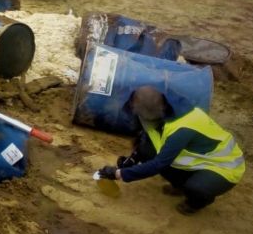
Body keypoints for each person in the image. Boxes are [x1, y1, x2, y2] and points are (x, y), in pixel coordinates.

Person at [98, 85, 245, 215]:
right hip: (199, 158)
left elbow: (158, 164)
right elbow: (147, 142)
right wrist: (132, 160)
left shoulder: (182, 128)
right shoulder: (162, 112)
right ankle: (180, 186)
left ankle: (196, 202)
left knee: (196, 188)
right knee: (148, 151)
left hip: (225, 166)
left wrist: (119, 174)